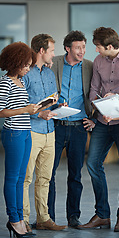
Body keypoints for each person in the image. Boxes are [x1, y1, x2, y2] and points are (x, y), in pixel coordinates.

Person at [78, 27, 119, 232]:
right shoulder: (99, 61)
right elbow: (94, 88)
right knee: (92, 164)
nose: (96, 50)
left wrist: (116, 108)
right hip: (102, 121)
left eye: (98, 47)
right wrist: (96, 112)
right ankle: (102, 215)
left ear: (109, 46)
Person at [45, 30, 95, 228]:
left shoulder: (90, 66)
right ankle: (47, 217)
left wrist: (95, 119)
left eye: (83, 47)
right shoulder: (54, 62)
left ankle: (73, 216)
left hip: (79, 128)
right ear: (68, 48)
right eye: (77, 47)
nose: (82, 51)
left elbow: (97, 91)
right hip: (56, 125)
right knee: (49, 173)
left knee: (75, 175)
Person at [23, 34, 66, 232]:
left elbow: (51, 99)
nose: (53, 55)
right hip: (32, 131)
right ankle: (22, 221)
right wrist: (40, 113)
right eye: (51, 51)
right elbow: (19, 104)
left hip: (50, 132)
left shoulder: (49, 74)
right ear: (41, 51)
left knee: (45, 179)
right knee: (26, 179)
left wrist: (59, 105)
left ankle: (43, 218)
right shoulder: (24, 74)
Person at [0, 42, 40, 237]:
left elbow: (20, 108)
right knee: (12, 178)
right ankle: (14, 220)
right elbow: (0, 111)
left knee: (22, 178)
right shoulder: (5, 82)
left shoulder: (21, 82)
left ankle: (19, 219)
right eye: (25, 65)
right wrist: (25, 109)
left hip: (25, 132)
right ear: (15, 62)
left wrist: (38, 108)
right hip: (13, 133)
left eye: (29, 65)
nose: (27, 68)